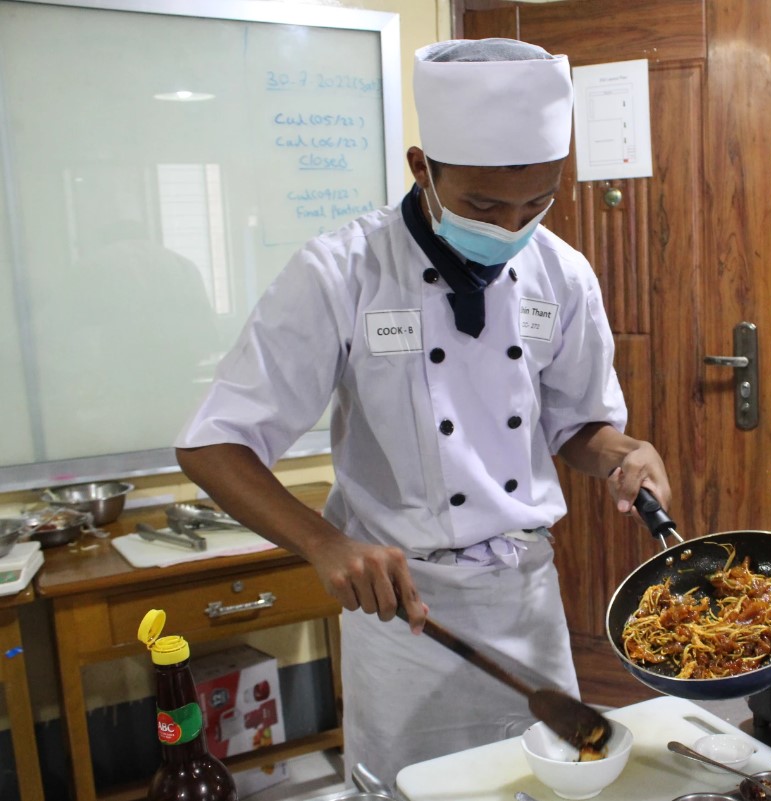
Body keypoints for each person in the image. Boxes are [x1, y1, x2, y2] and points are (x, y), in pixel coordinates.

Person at [174, 38, 671, 784]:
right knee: (413, 786)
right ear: (421, 167)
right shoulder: (341, 271)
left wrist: (622, 453)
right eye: (481, 204)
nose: (510, 227)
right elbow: (213, 444)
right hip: (406, 613)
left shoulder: (562, 273)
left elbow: (576, 425)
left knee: (552, 783)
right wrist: (324, 542)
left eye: (535, 202)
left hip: (525, 597)